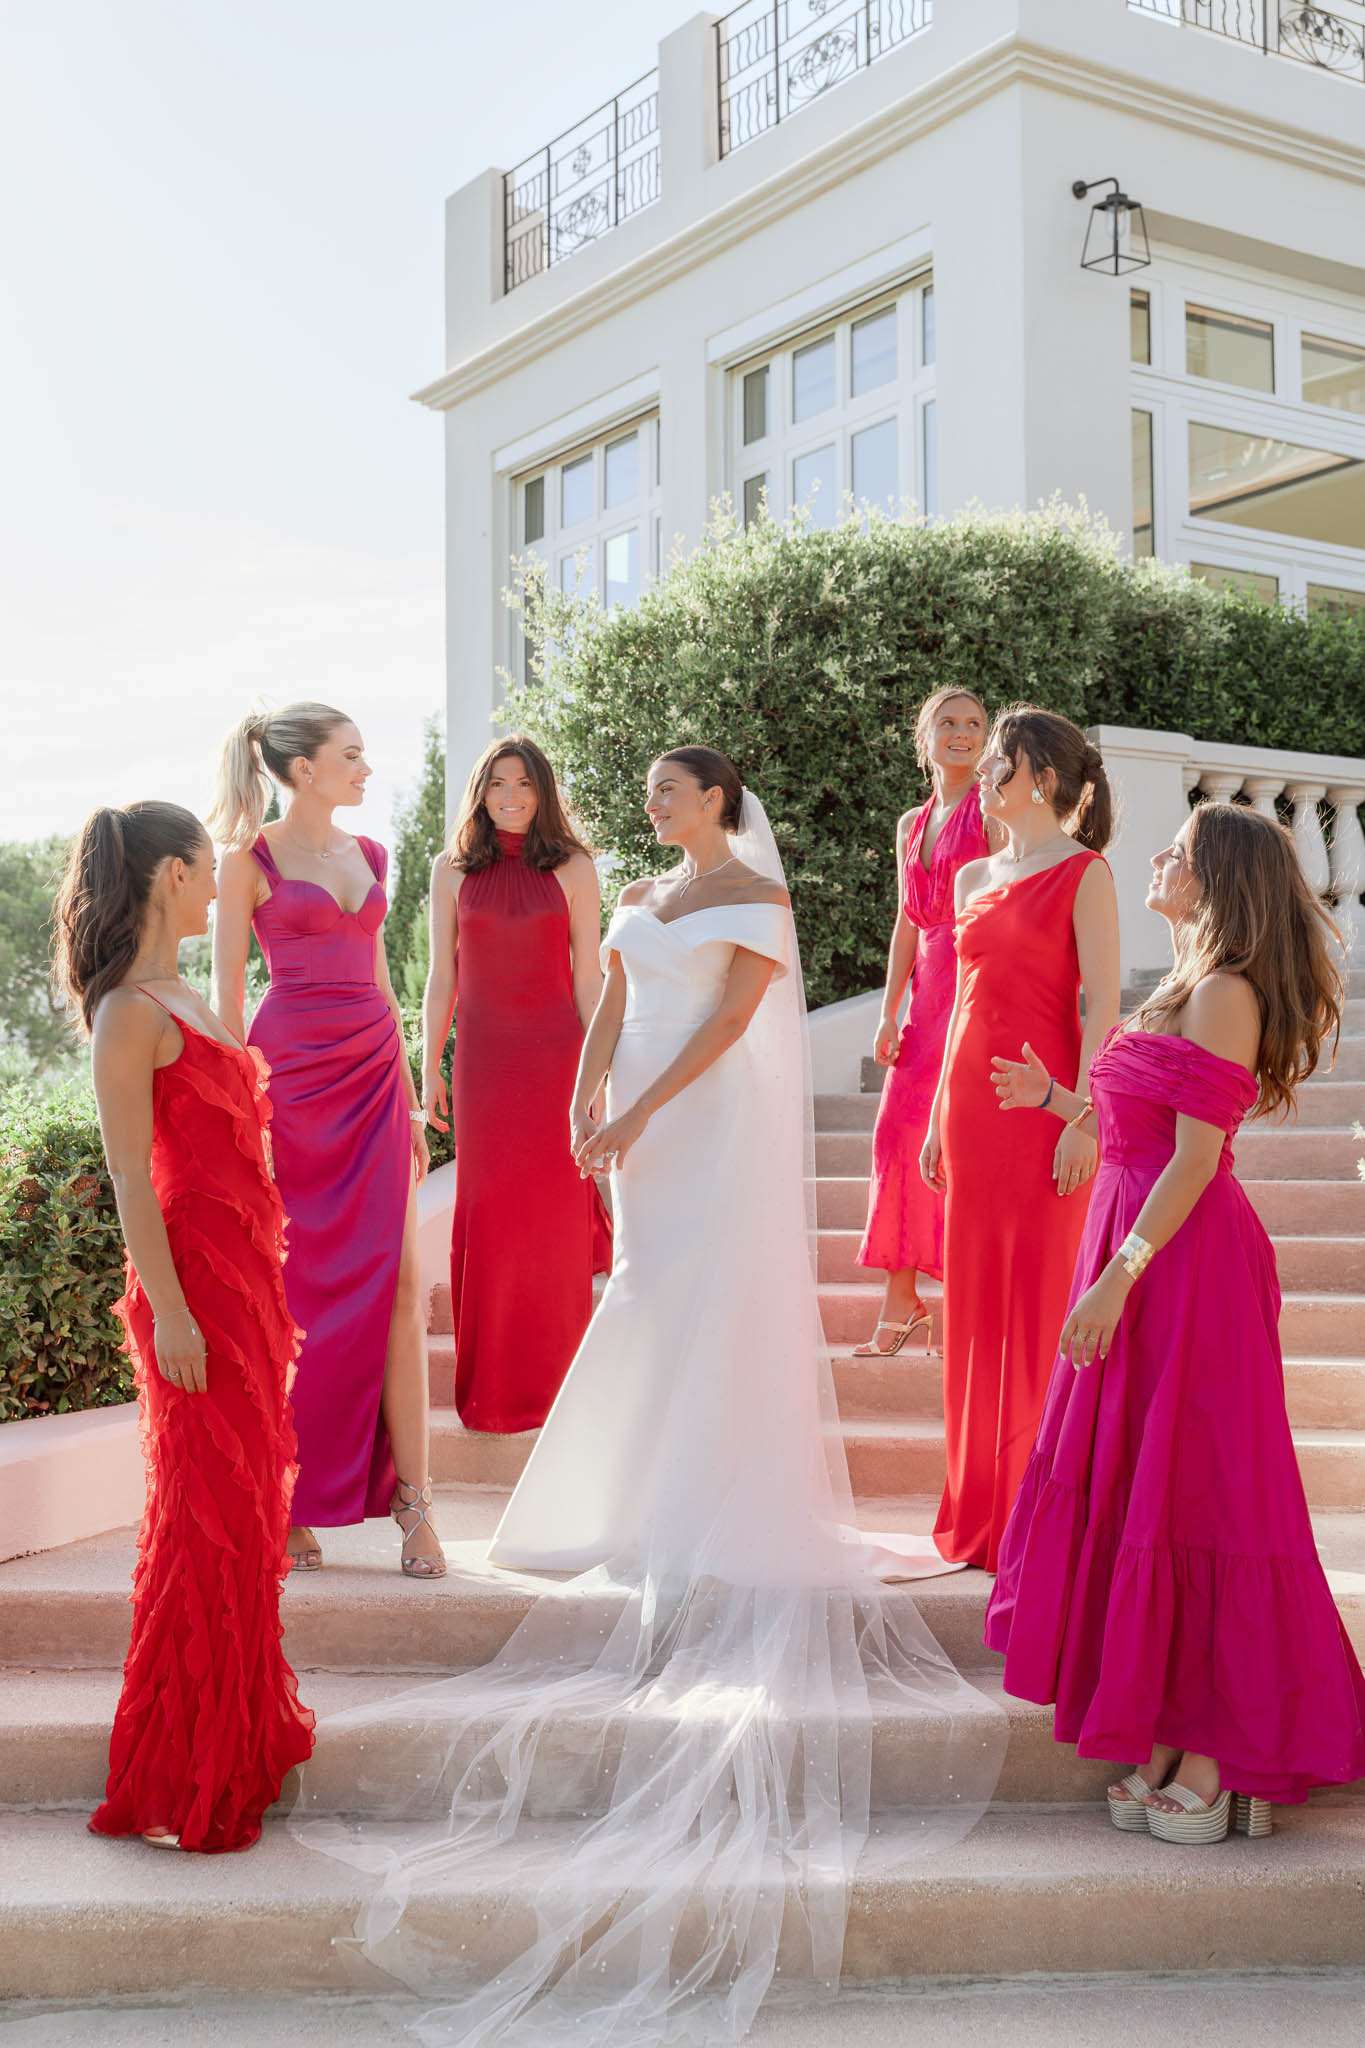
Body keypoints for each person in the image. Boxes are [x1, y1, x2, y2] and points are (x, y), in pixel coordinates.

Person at [290, 747, 1005, 2047]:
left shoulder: (757, 901)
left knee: (708, 1310)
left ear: (721, 803)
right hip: (628, 1125)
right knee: (647, 1305)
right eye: (653, 797)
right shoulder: (642, 891)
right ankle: (638, 1508)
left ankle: (711, 1512)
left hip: (703, 1124)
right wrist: (586, 1093)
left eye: (673, 792)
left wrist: (642, 1113)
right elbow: (611, 995)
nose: (655, 806)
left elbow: (730, 1025)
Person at [985, 802, 1365, 1841]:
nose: (1156, 860)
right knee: (1148, 1485)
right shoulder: (1180, 986)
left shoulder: (1228, 992)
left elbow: (1196, 1158)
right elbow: (1139, 1123)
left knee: (1202, 1491)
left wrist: (1119, 1276)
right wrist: (1060, 1096)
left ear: (1214, 879)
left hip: (1182, 1264)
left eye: (1177, 854)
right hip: (1139, 1249)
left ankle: (1218, 1742)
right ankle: (1164, 1715)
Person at [53, 802, 314, 1852]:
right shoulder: (126, 1011)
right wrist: (170, 1312)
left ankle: (238, 1749)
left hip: (247, 1288)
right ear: (169, 875)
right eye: (208, 870)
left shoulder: (195, 997)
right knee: (204, 1522)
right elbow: (130, 1175)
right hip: (191, 1294)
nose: (221, 888)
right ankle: (186, 1768)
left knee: (246, 1521)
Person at [210, 704, 443, 1579]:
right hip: (292, 1080)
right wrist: (242, 1113)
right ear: (302, 768)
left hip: (375, 1077)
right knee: (293, 1288)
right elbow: (230, 1002)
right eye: (351, 756)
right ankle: (291, 1494)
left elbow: (384, 984)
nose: (365, 769)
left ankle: (415, 1504)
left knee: (399, 1281)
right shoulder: (248, 862)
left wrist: (413, 1103)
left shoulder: (372, 854)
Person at [923, 706, 1119, 1571]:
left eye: (997, 759)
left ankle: (1036, 1519)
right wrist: (932, 1119)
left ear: (1034, 776)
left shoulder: (1087, 874)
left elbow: (1104, 1010)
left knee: (1038, 1307)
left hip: (1043, 1118)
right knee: (971, 1310)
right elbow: (961, 1006)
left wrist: (1084, 1117)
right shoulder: (969, 879)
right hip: (968, 1115)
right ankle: (977, 1509)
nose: (983, 771)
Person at [422, 737, 611, 1433]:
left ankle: (560, 1390)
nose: (510, 795)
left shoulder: (574, 867)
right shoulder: (449, 870)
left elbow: (588, 976)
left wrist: (600, 1068)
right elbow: (442, 976)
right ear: (480, 790)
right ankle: (494, 1391)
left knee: (553, 1220)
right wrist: (429, 1065)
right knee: (490, 1214)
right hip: (481, 1065)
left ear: (543, 793)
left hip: (557, 1060)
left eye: (524, 784)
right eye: (498, 783)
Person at [854, 687, 989, 1357]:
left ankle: (955, 1295)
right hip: (924, 993)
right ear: (924, 735)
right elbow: (908, 919)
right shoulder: (911, 821)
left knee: (955, 1140)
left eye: (972, 724)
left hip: (976, 982)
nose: (960, 733)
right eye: (948, 722)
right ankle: (901, 1296)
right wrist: (887, 1009)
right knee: (894, 1136)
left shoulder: (995, 812)